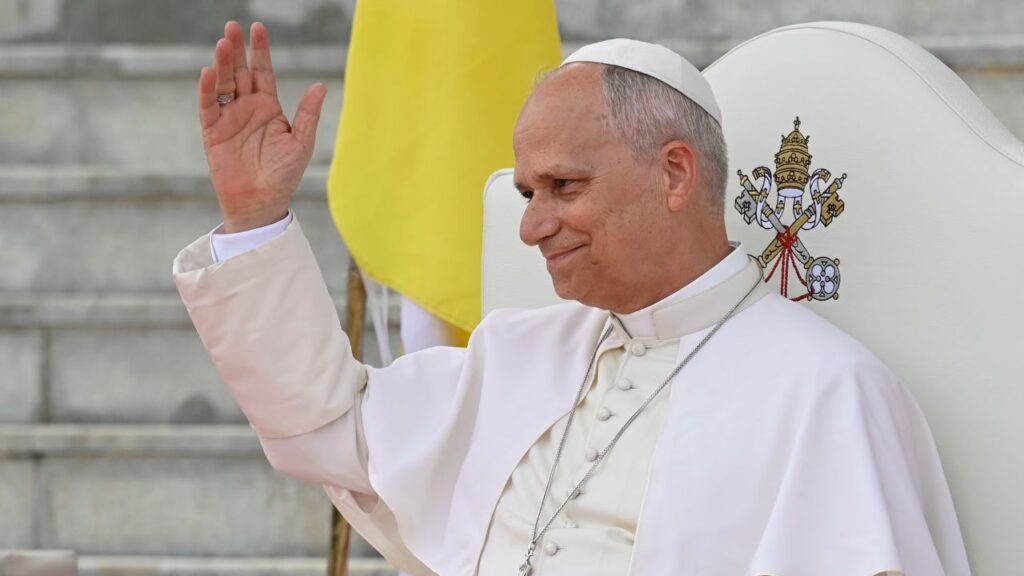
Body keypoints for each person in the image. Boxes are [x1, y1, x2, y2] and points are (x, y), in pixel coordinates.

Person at [174, 21, 971, 576]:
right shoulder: (521, 352)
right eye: (526, 191)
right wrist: (253, 215)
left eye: (563, 187)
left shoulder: (827, 391)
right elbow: (325, 426)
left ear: (675, 173)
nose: (531, 227)